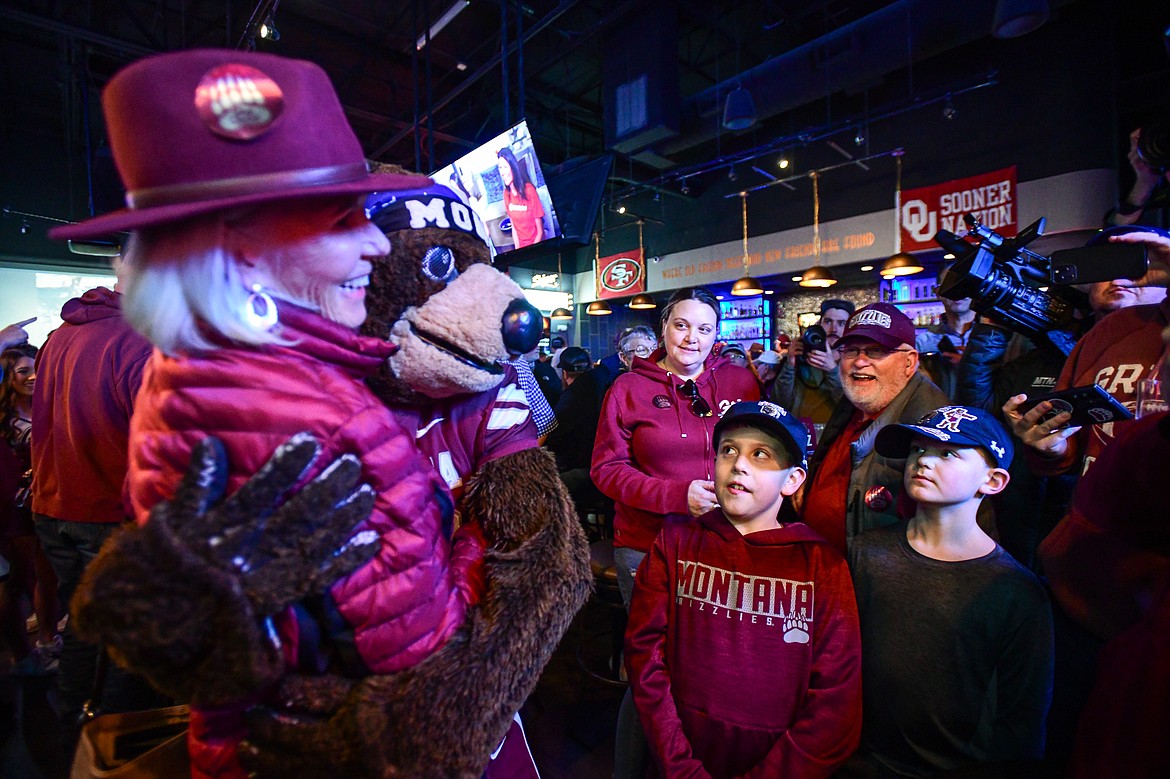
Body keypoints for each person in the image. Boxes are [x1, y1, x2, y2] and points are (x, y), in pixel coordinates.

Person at [48, 49, 485, 779]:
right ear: (242, 253)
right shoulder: (317, 412)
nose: (376, 242)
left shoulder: (194, 369)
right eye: (345, 217)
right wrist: (476, 547)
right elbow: (419, 643)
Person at [626, 400, 861, 778]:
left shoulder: (822, 565)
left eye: (761, 455)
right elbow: (644, 656)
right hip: (679, 752)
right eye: (728, 450)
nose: (739, 464)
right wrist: (679, 766)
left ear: (793, 480)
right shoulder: (674, 544)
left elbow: (837, 698)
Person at [843, 406, 1054, 778]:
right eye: (918, 450)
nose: (923, 462)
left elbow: (1022, 721)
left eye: (948, 453)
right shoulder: (867, 553)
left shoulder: (1015, 591)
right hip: (860, 762)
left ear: (992, 481)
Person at [29, 279, 161, 731]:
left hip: (53, 505)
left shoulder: (59, 336)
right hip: (107, 509)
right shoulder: (138, 342)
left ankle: (74, 719)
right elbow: (154, 444)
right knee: (124, 634)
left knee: (84, 624)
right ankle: (109, 734)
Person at [591, 286, 760, 606]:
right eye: (681, 325)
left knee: (720, 648)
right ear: (663, 328)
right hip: (648, 544)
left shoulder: (741, 382)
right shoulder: (628, 388)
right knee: (652, 649)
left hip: (727, 539)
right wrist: (677, 496)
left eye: (704, 329)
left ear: (715, 336)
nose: (691, 338)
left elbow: (761, 453)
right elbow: (606, 470)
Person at [1004, 229, 1170, 477]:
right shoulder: (1096, 337)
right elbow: (1072, 446)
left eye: (1133, 262)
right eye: (1104, 265)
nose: (1118, 276)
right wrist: (1051, 447)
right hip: (1095, 507)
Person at [797, 302, 948, 554]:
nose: (860, 362)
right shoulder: (855, 405)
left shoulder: (932, 434)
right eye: (851, 350)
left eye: (876, 351)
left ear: (909, 363)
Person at [1, 346, 60, 675]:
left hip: (48, 501)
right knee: (15, 580)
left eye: (36, 368)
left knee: (47, 578)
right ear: (8, 378)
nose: (32, 376)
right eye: (22, 371)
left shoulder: (49, 407)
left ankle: (47, 641)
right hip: (15, 511)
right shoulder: (4, 422)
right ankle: (21, 654)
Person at [770, 298, 853, 424]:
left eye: (841, 323)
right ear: (819, 324)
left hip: (835, 435)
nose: (833, 329)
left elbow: (852, 409)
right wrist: (790, 364)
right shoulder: (802, 357)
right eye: (828, 321)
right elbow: (779, 403)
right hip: (801, 432)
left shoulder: (855, 361)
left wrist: (832, 370)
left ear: (849, 328)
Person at [496, 146, 545, 249]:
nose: (502, 172)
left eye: (505, 167)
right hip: (521, 247)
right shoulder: (506, 194)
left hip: (536, 245)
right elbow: (514, 227)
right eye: (500, 168)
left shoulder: (529, 190)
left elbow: (540, 231)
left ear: (513, 167)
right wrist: (518, 250)